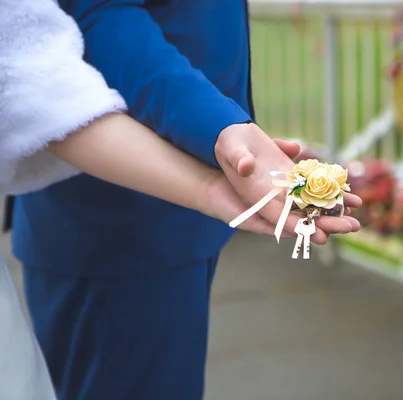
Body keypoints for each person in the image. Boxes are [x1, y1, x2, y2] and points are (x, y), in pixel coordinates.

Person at [1, 1, 361, 399]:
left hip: (192, 198)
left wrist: (216, 164)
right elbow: (93, 17)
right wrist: (216, 127)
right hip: (117, 219)